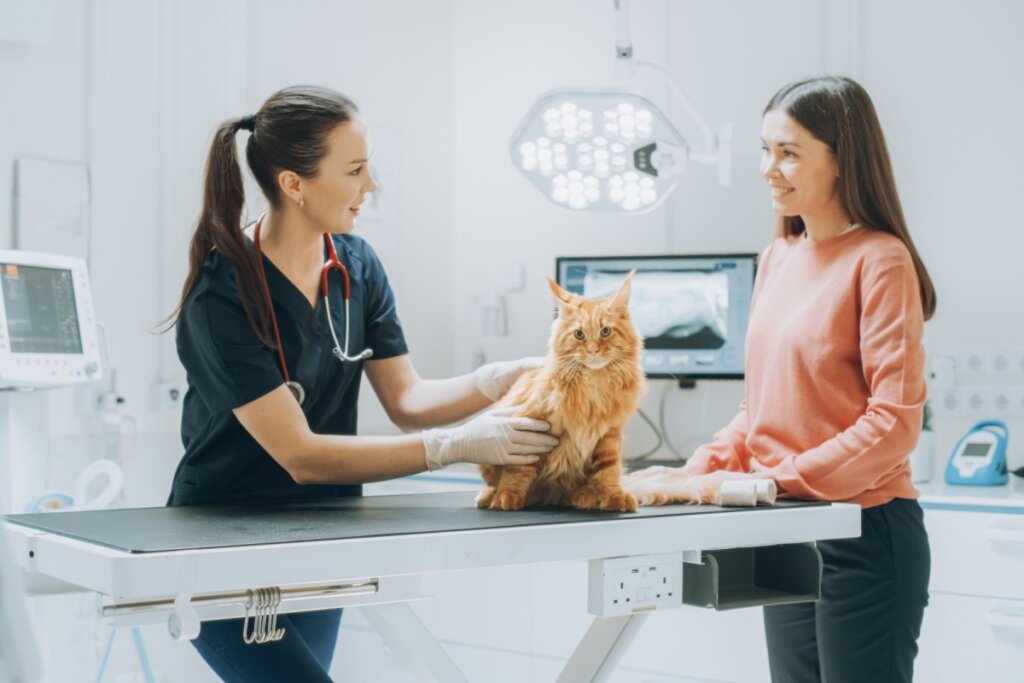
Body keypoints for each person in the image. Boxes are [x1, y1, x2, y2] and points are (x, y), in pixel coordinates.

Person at [162, 85, 558, 682]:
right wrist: (454, 447)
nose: (370, 186)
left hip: (326, 535)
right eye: (354, 170)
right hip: (226, 541)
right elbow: (300, 455)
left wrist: (497, 380)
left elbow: (407, 401)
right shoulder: (223, 295)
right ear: (294, 184)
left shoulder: (357, 266)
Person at [626, 76, 935, 683]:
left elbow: (893, 428)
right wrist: (690, 475)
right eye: (765, 151)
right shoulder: (777, 258)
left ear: (842, 160)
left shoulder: (881, 260)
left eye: (789, 152)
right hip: (788, 530)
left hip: (863, 533)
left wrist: (769, 482)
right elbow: (757, 412)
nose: (770, 169)